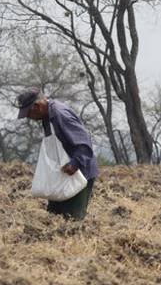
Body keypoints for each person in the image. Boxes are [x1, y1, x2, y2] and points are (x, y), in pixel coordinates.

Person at [16, 88, 99, 220]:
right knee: (54, 217)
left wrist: (75, 163)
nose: (29, 118)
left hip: (79, 173)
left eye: (28, 114)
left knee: (71, 219)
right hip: (64, 174)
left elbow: (84, 142)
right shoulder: (47, 116)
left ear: (37, 107)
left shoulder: (60, 115)